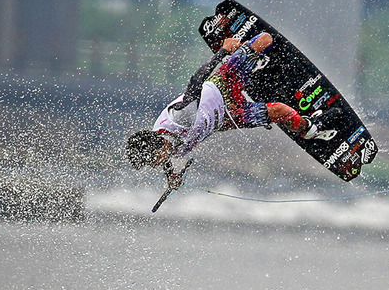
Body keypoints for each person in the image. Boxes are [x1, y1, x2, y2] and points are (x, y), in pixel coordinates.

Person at [125, 32, 339, 188]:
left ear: (157, 147)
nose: (157, 165)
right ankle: (310, 128)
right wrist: (171, 176)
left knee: (265, 39)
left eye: (154, 161)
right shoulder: (165, 148)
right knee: (279, 111)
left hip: (223, 85)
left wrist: (222, 52)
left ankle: (255, 65)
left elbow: (196, 81)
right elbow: (168, 156)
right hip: (227, 117)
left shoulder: (180, 116)